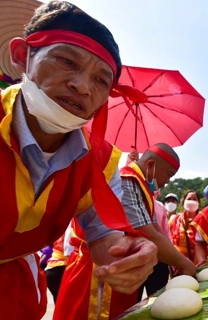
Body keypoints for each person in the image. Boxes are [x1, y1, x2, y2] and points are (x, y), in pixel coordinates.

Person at [0, 2, 157, 318]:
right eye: (66, 61)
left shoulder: (102, 161)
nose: (82, 87)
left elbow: (103, 235)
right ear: (22, 56)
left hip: (19, 295)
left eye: (101, 80)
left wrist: (127, 254)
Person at [54, 143, 196, 319]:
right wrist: (184, 264)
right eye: (168, 174)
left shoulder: (142, 187)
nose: (168, 181)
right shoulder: (127, 181)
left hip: (120, 267)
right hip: (97, 267)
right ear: (150, 165)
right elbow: (148, 233)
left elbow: (156, 230)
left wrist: (178, 261)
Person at [170, 190, 202, 263]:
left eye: (194, 199)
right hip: (176, 261)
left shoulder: (204, 220)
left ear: (198, 203)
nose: (191, 201)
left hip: (198, 261)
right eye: (189, 199)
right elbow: (167, 239)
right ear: (183, 202)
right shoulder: (174, 219)